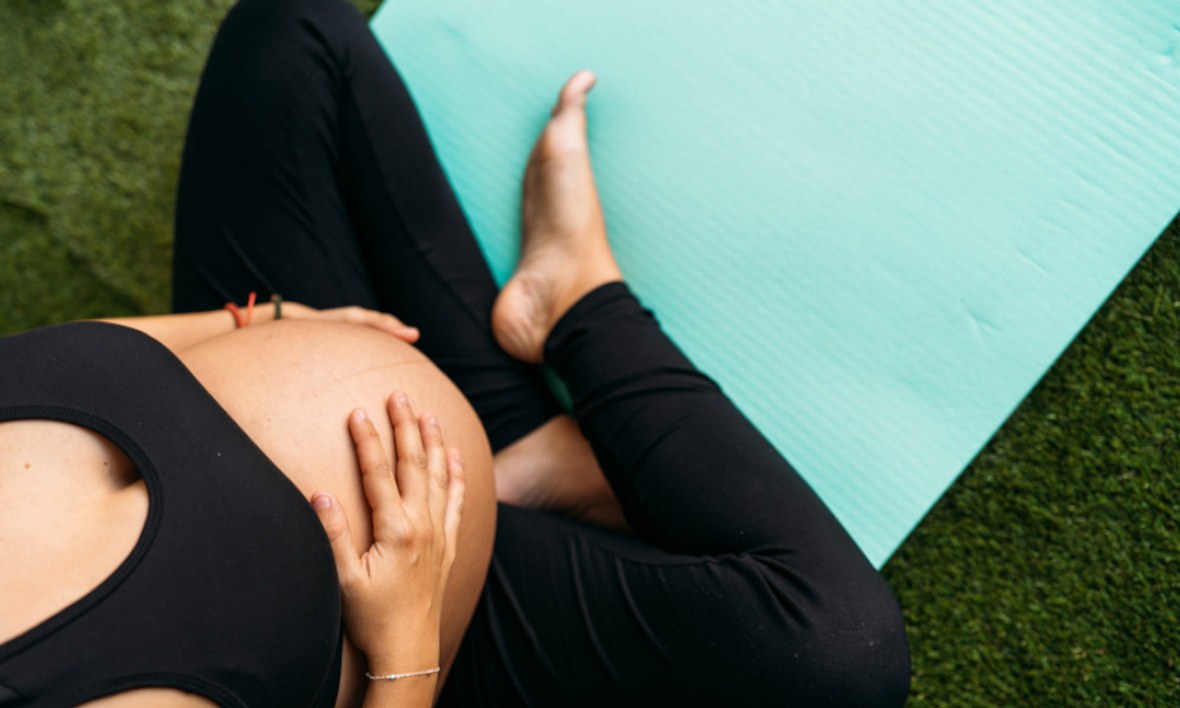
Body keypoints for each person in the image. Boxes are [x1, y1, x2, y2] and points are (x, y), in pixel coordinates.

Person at [0, 0, 911, 705]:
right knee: (837, 651)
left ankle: (513, 464)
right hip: (411, 623)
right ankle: (581, 305)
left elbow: (57, 362)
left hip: (325, 385)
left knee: (293, 38)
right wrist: (405, 648)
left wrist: (257, 322)